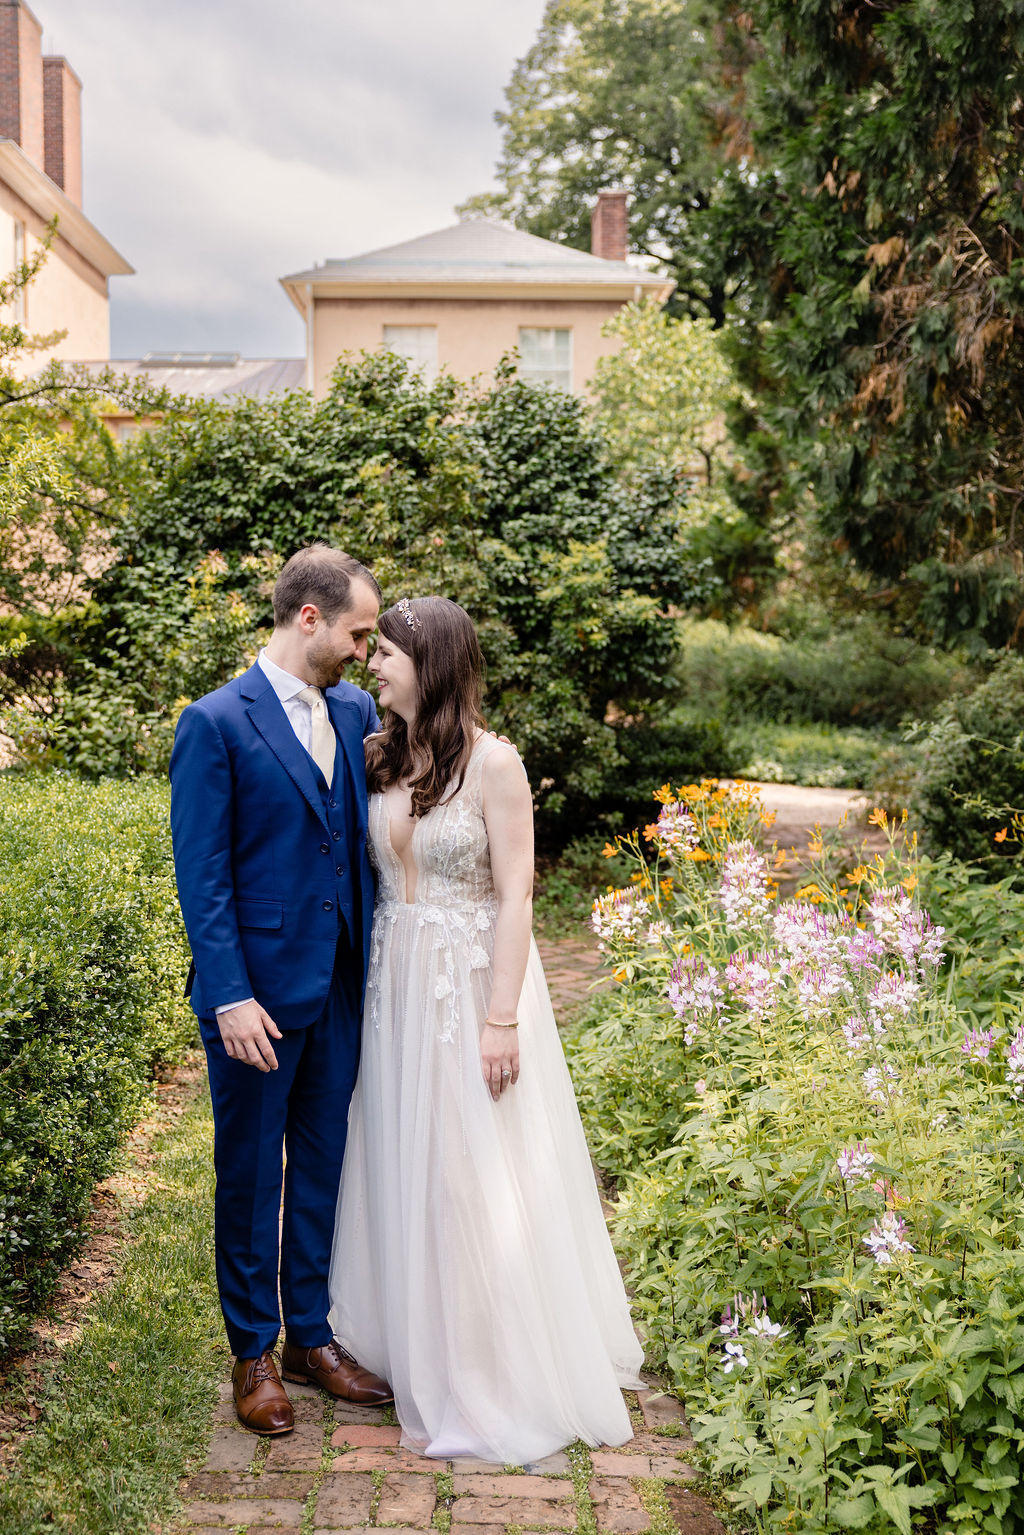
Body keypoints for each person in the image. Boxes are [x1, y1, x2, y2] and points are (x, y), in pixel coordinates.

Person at [328, 595, 644, 1465]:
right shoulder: (376, 756)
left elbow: (518, 896)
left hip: (470, 989)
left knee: (471, 1178)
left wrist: (500, 1017)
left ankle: (484, 1370)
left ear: (431, 663)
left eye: (387, 652)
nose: (374, 663)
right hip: (395, 987)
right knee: (409, 1164)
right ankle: (413, 1339)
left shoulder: (497, 765)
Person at [170, 544, 393, 1435]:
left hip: (339, 981)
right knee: (252, 1170)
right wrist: (227, 993)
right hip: (254, 1000)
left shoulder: (357, 708)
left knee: (324, 1166)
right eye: (357, 632)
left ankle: (312, 1336)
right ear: (309, 618)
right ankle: (252, 1350)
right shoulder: (215, 722)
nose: (364, 650)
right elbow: (204, 873)